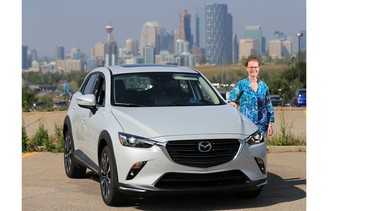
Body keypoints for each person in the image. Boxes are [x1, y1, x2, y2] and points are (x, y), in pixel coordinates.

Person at [227, 56, 274, 137]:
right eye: (251, 67)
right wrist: (232, 103)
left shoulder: (264, 86)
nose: (253, 70)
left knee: (260, 147)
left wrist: (270, 124)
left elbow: (268, 105)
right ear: (247, 68)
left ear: (259, 68)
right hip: (246, 125)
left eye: (255, 67)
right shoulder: (241, 85)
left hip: (262, 125)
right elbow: (231, 99)